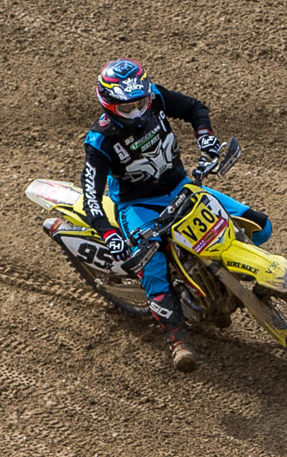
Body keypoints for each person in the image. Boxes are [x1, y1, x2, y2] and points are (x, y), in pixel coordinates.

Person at [79, 60, 272, 373]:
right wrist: (109, 234)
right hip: (138, 206)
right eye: (127, 108)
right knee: (153, 268)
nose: (137, 112)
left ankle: (238, 282)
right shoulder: (100, 141)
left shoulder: (155, 96)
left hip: (181, 187)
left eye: (141, 103)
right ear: (109, 105)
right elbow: (91, 197)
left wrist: (205, 137)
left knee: (260, 226)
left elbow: (194, 108)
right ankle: (177, 338)